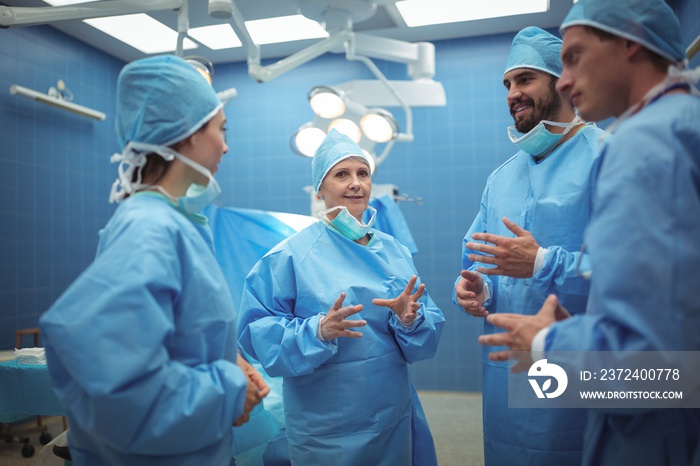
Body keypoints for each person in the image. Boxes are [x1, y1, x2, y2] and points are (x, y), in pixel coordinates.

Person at [479, 1, 700, 465]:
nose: (564, 80)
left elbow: (657, 367)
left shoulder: (641, 144)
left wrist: (547, 344)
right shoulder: (679, 127)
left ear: (631, 43)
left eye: (574, 57)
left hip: (646, 420)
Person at [39, 55, 269, 466]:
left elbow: (168, 336)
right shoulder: (150, 229)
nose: (226, 145)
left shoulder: (174, 224)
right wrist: (229, 388)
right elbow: (120, 387)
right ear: (188, 135)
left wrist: (223, 359)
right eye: (221, 129)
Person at [237, 129, 445, 465]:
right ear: (320, 189)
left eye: (363, 173)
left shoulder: (393, 251)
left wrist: (410, 319)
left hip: (390, 410)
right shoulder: (291, 256)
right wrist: (316, 330)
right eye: (342, 174)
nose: (355, 183)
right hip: (327, 424)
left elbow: (426, 335)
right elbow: (256, 334)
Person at [453, 26, 605, 465]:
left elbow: (641, 272)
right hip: (508, 364)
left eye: (525, 79)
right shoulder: (501, 177)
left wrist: (543, 263)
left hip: (582, 359)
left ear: (562, 81)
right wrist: (474, 288)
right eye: (507, 84)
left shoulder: (607, 157)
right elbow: (478, 258)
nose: (512, 93)